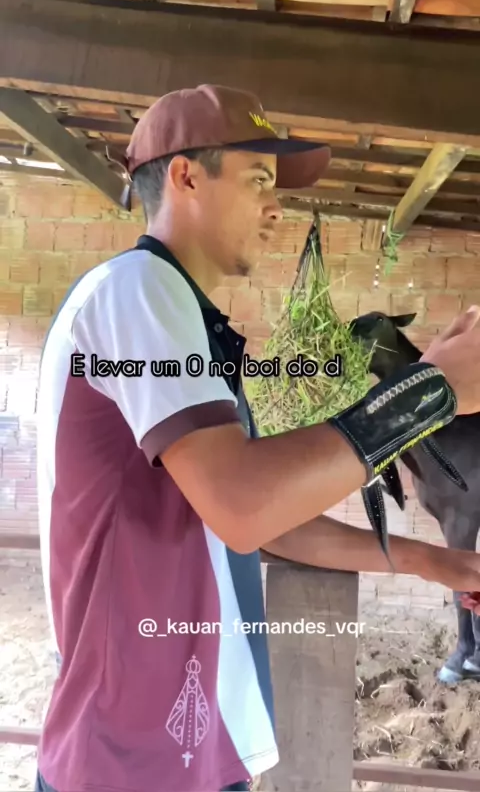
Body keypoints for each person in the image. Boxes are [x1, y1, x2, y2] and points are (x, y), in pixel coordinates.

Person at [34, 83, 480, 792]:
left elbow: (256, 520)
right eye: (259, 180)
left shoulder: (185, 321)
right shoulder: (136, 291)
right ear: (186, 177)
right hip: (132, 759)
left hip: (194, 747)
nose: (277, 207)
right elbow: (242, 504)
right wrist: (429, 393)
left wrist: (430, 560)